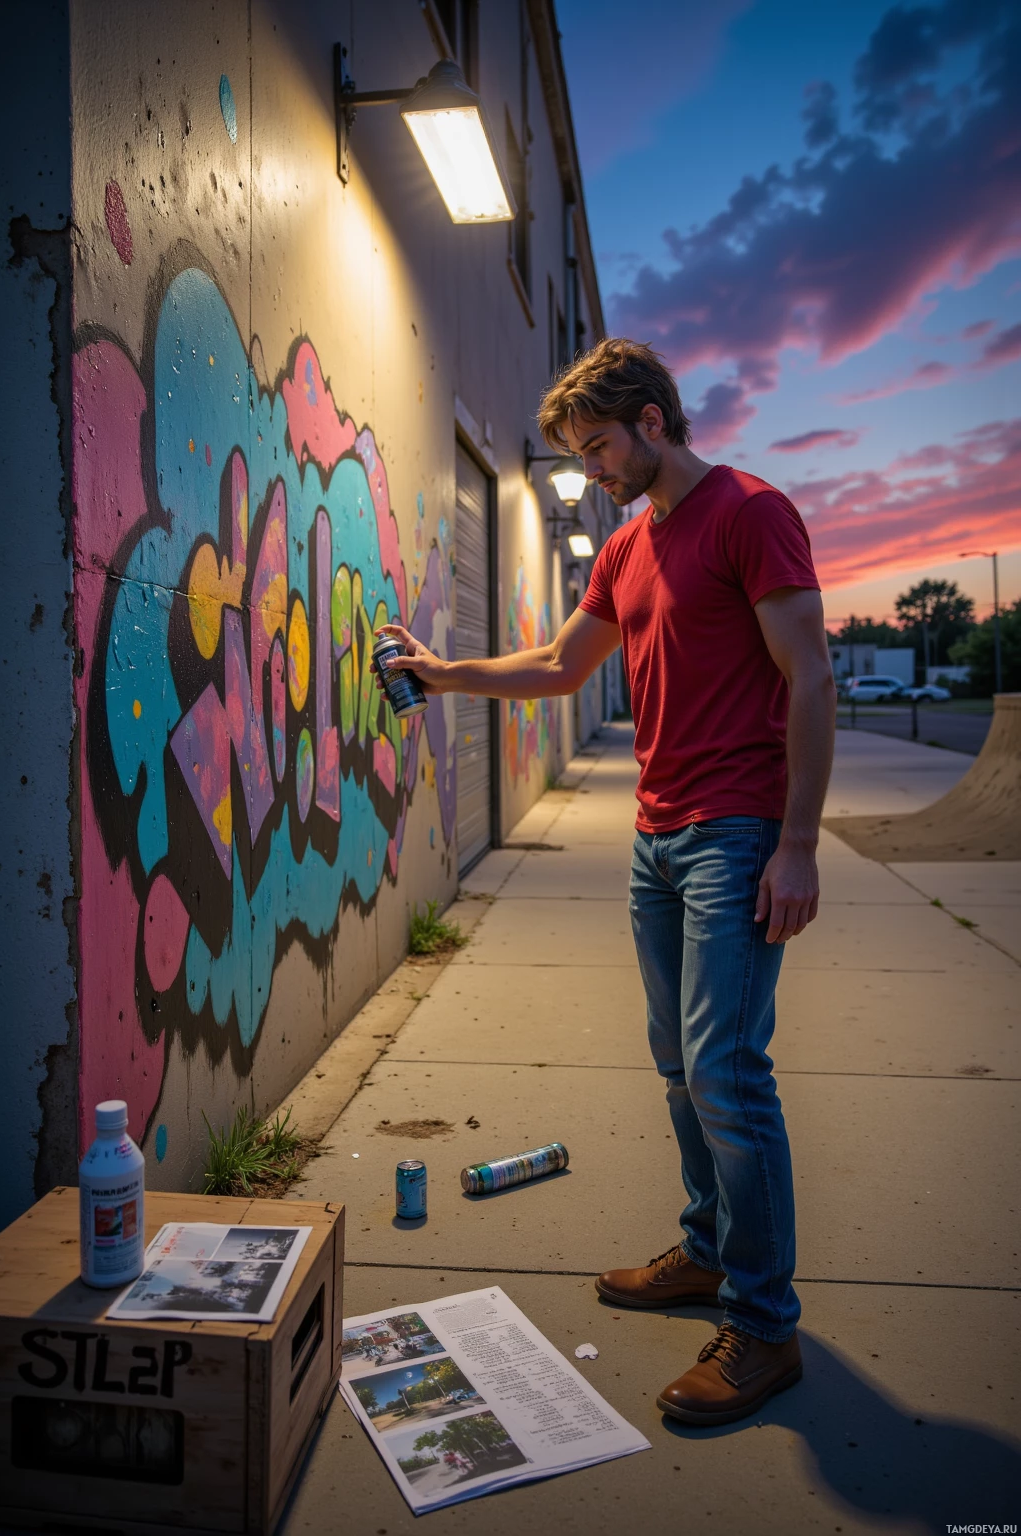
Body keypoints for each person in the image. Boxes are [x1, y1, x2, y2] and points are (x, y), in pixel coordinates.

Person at [372, 338, 836, 1427]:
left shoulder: (751, 513)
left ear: (652, 422)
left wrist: (799, 843)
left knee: (727, 1073)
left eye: (597, 449)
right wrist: (441, 672)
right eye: (578, 455)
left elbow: (810, 675)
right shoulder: (627, 547)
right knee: (678, 1068)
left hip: (737, 833)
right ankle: (708, 1250)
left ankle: (765, 1326)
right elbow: (558, 665)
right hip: (657, 839)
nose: (590, 472)